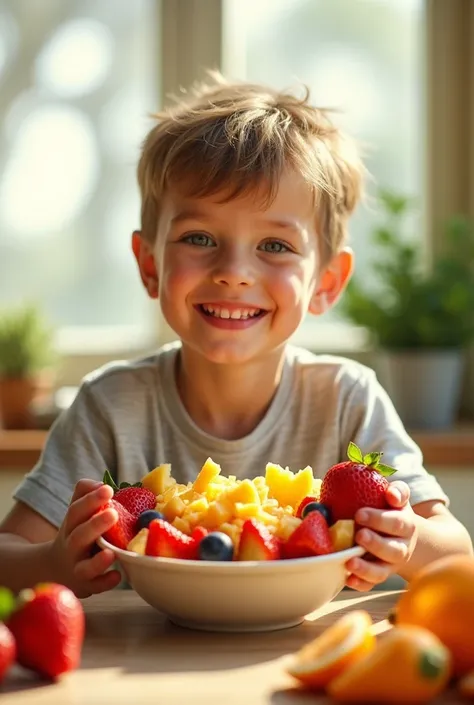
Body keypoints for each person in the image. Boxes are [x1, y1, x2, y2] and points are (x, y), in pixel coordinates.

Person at [0, 74, 471, 598]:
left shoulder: (348, 400)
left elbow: (456, 554)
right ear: (149, 264)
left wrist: (407, 542)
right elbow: (7, 554)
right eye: (199, 237)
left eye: (274, 245)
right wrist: (53, 560)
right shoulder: (109, 406)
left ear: (328, 282)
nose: (234, 271)